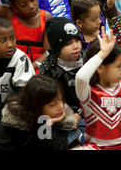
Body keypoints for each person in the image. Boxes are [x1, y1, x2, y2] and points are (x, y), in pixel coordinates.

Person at [0, 75, 77, 150]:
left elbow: (58, 147)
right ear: (35, 105)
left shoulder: (62, 117)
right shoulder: (15, 117)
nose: (60, 106)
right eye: (52, 104)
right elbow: (0, 145)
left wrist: (46, 125)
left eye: (61, 99)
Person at [39, 17, 89, 147]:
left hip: (87, 109)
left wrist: (79, 114)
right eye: (68, 43)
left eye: (77, 40)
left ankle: (78, 136)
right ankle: (76, 137)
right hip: (61, 112)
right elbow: (47, 101)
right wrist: (65, 115)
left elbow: (97, 91)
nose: (75, 46)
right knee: (43, 124)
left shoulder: (88, 59)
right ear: (57, 49)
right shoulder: (50, 69)